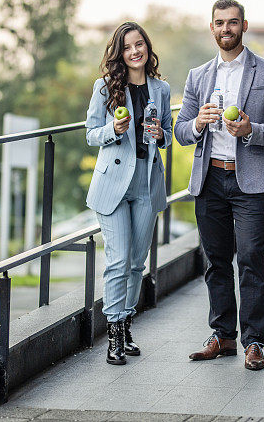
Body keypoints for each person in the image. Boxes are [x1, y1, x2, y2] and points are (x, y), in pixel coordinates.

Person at [175, 0, 264, 371]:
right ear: (212, 28)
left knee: (252, 259)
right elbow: (179, 132)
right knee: (216, 261)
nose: (226, 29)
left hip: (251, 181)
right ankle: (223, 335)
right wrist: (197, 124)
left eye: (233, 22)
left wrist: (250, 130)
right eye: (220, 23)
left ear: (244, 25)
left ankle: (254, 341)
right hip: (209, 177)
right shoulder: (197, 76)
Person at [85, 21, 172, 365]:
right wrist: (113, 129)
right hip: (113, 184)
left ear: (147, 48)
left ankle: (126, 320)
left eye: (140, 45)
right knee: (118, 260)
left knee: (137, 262)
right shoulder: (105, 88)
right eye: (127, 47)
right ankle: (114, 334)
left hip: (146, 183)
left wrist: (160, 135)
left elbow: (166, 131)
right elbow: (90, 133)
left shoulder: (161, 89)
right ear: (119, 53)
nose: (135, 51)